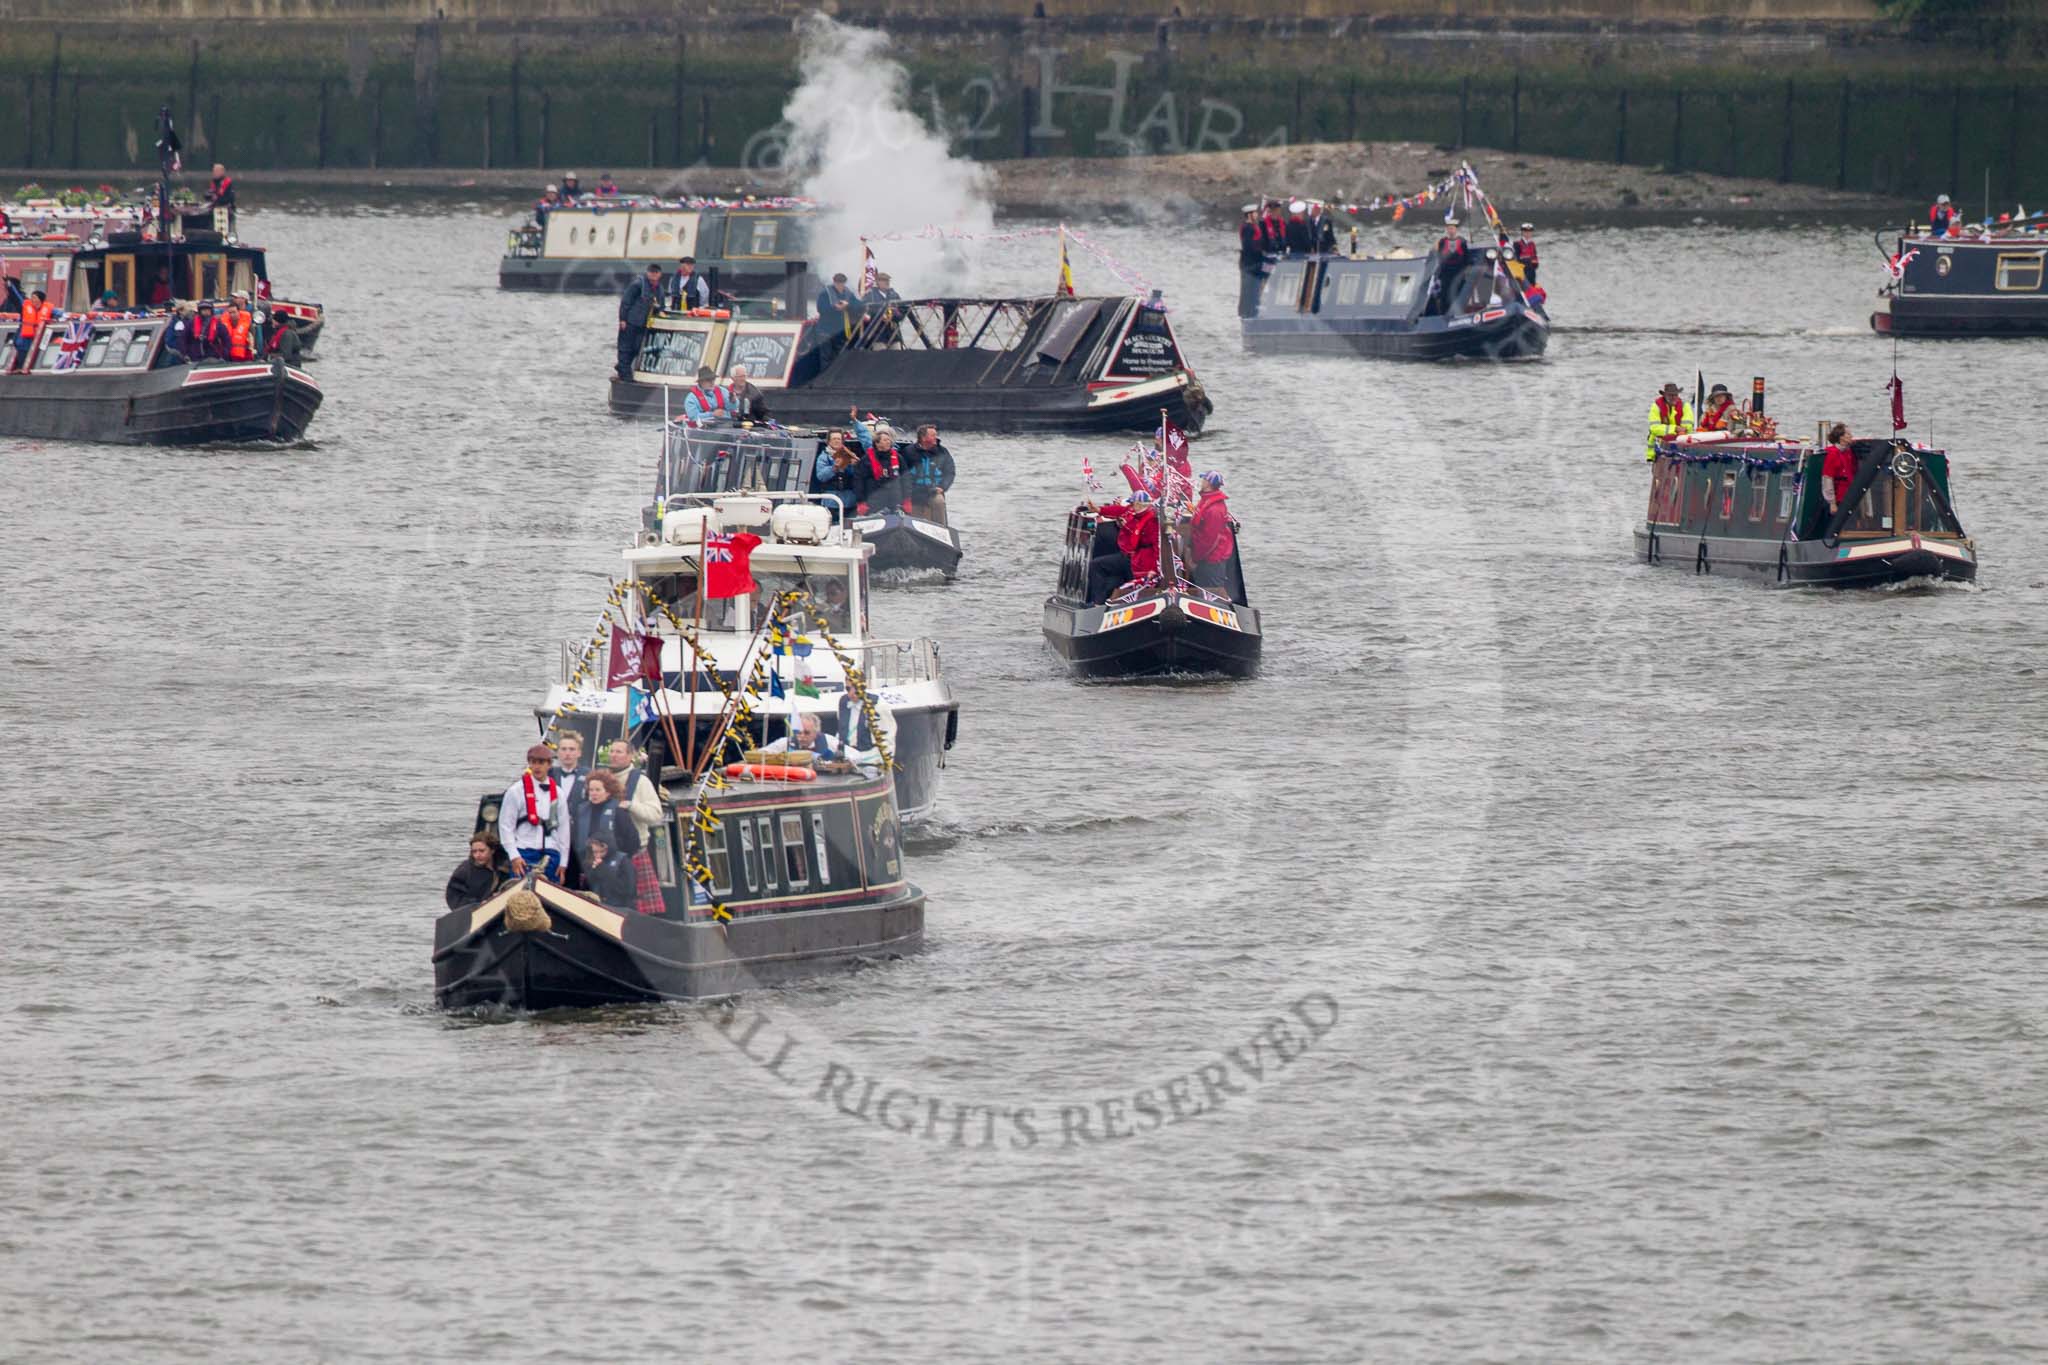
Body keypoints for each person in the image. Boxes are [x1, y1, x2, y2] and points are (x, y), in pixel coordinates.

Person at [604, 741, 666, 916]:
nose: (614, 755)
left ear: (630, 756)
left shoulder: (641, 781)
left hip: (634, 854)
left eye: (619, 752)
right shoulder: (601, 779)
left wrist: (631, 806)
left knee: (637, 912)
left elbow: (656, 815)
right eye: (612, 751)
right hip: (604, 855)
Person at [498, 743, 570, 881]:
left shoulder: (559, 794)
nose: (537, 767)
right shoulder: (516, 791)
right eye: (533, 762)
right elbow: (506, 826)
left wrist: (563, 862)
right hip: (524, 851)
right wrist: (514, 856)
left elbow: (564, 828)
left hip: (551, 851)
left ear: (549, 765)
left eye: (541, 763)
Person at [1088, 490, 1160, 603]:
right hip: (1128, 556)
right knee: (1097, 565)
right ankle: (1099, 602)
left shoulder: (1152, 521)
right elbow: (1119, 510)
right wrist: (1099, 510)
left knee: (1097, 565)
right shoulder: (1132, 512)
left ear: (1139, 505)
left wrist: (1154, 569)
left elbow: (1157, 546)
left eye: (1132, 504)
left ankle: (1099, 602)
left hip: (1142, 561)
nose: (1130, 506)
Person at [1189, 471, 1236, 594]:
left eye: (1204, 479)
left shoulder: (1214, 509)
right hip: (1206, 558)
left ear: (1208, 483)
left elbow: (1210, 540)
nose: (1201, 482)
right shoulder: (1206, 501)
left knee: (1213, 592)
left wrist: (1195, 559)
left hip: (1212, 560)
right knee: (1202, 589)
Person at [811, 432, 871, 521]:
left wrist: (854, 465)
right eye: (834, 439)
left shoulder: (849, 455)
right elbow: (821, 476)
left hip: (849, 501)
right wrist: (834, 468)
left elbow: (857, 477)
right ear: (828, 441)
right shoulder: (823, 458)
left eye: (839, 439)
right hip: (831, 501)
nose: (836, 441)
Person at [616, 262, 662, 381]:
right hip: (631, 321)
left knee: (637, 348)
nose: (653, 275)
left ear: (659, 274)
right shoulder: (637, 285)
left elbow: (660, 305)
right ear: (647, 273)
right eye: (651, 272)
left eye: (656, 273)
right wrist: (623, 319)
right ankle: (625, 374)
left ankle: (622, 366)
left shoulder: (659, 289)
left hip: (643, 324)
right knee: (625, 347)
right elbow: (626, 302)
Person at [850, 410, 903, 510]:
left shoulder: (898, 457)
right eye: (885, 440)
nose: (887, 442)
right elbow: (864, 435)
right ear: (877, 443)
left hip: (893, 498)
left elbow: (906, 477)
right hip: (874, 497)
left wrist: (907, 499)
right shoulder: (867, 458)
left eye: (888, 439)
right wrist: (855, 421)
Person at [902, 424, 955, 523]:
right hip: (915, 493)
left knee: (939, 502)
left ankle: (941, 528)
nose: (936, 437)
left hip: (934, 491)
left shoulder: (942, 452)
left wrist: (943, 487)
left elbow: (950, 472)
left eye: (936, 435)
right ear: (923, 438)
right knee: (914, 520)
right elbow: (903, 474)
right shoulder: (909, 452)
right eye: (933, 435)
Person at [579, 831, 638, 910]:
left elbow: (628, 890)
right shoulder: (589, 862)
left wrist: (603, 870)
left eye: (601, 851)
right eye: (595, 852)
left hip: (620, 908)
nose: (598, 855)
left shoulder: (623, 861)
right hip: (597, 907)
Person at [445, 835, 500, 910]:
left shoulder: (503, 869)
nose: (478, 855)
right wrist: (477, 904)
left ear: (492, 850)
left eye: (482, 851)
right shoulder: (464, 870)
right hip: (473, 912)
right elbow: (454, 898)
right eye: (474, 851)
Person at [1430, 219, 1471, 315]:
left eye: (1452, 228)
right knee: (1445, 293)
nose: (1450, 231)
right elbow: (1439, 256)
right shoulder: (1443, 242)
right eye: (1449, 229)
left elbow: (1466, 257)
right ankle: (1444, 312)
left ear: (1456, 229)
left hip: (1458, 271)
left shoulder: (1462, 241)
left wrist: (1466, 270)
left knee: (1458, 291)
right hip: (1446, 272)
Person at [816, 272, 858, 361]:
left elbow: (858, 306)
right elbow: (821, 308)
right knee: (826, 357)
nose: (840, 285)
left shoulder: (848, 293)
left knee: (839, 357)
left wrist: (848, 305)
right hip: (825, 330)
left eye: (842, 283)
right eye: (838, 282)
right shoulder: (825, 293)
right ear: (834, 282)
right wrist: (835, 307)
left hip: (840, 331)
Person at [1645, 381, 1692, 460]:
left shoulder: (1685, 406)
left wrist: (1682, 430)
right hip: (1657, 450)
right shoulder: (1656, 407)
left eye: (1675, 395)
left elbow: (1688, 426)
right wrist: (1674, 429)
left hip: (1682, 446)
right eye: (1670, 395)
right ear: (1664, 395)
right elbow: (1654, 428)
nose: (1673, 397)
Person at [1821, 423, 1858, 521]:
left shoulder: (1848, 452)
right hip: (1838, 498)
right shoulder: (1832, 454)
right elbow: (1827, 479)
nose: (1851, 436)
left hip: (1848, 495)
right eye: (1848, 434)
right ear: (1841, 437)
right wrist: (1832, 503)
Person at [9, 289, 47, 373]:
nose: (32, 299)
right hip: (25, 336)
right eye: (31, 297)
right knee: (20, 347)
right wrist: (9, 286)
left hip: (39, 337)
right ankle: (20, 367)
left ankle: (30, 367)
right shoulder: (25, 306)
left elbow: (60, 314)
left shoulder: (47, 309)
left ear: (40, 299)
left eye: (34, 297)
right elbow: (16, 298)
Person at [860, 272, 903, 343]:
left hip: (894, 334)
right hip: (877, 335)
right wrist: (880, 316)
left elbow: (902, 311)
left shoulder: (894, 295)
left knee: (898, 352)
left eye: (888, 280)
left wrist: (892, 317)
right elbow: (864, 312)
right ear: (878, 282)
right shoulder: (870, 295)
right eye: (884, 280)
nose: (887, 282)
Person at [204, 162, 236, 236]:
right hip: (215, 211)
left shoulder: (228, 182)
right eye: (214, 171)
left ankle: (231, 241)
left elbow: (230, 198)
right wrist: (209, 196)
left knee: (230, 232)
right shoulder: (214, 182)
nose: (214, 173)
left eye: (216, 171)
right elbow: (207, 195)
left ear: (222, 172)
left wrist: (217, 199)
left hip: (227, 211)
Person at [224, 292, 255, 360]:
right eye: (230, 313)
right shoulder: (223, 324)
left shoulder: (247, 323)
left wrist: (251, 350)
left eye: (234, 312)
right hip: (227, 356)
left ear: (238, 312)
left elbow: (252, 338)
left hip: (244, 355)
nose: (232, 315)